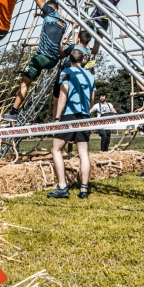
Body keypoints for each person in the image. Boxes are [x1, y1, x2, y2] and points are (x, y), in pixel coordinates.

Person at [2, 0, 66, 122]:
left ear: (50, 8)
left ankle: (13, 112)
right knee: (32, 75)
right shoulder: (63, 23)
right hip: (53, 60)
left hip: (41, 57)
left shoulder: (50, 13)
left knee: (24, 83)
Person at [48, 48, 95, 199]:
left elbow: (63, 95)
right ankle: (84, 189)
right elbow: (92, 100)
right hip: (85, 116)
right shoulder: (90, 76)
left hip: (70, 115)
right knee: (83, 153)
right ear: (82, 60)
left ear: (69, 60)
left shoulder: (66, 72)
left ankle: (62, 186)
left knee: (56, 149)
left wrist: (57, 118)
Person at [87, 0, 125, 67]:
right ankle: (92, 57)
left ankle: (85, 51)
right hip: (105, 20)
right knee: (98, 41)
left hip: (97, 17)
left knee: (84, 33)